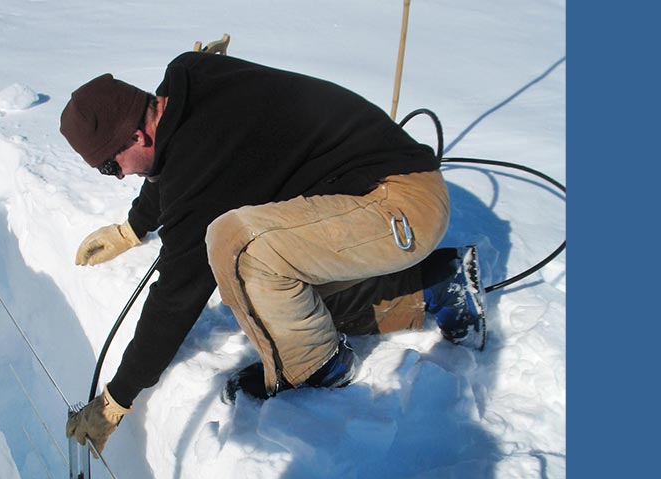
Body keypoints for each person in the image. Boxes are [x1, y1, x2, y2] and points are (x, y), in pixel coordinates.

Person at [60, 52, 486, 452]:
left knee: (238, 250)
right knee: (282, 304)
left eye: (110, 167)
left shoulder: (202, 157)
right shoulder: (187, 79)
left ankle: (318, 368)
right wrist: (133, 228)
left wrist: (118, 398)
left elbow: (176, 295)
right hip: (377, 193)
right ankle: (438, 285)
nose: (116, 178)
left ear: (137, 134)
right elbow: (170, 168)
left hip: (399, 208)